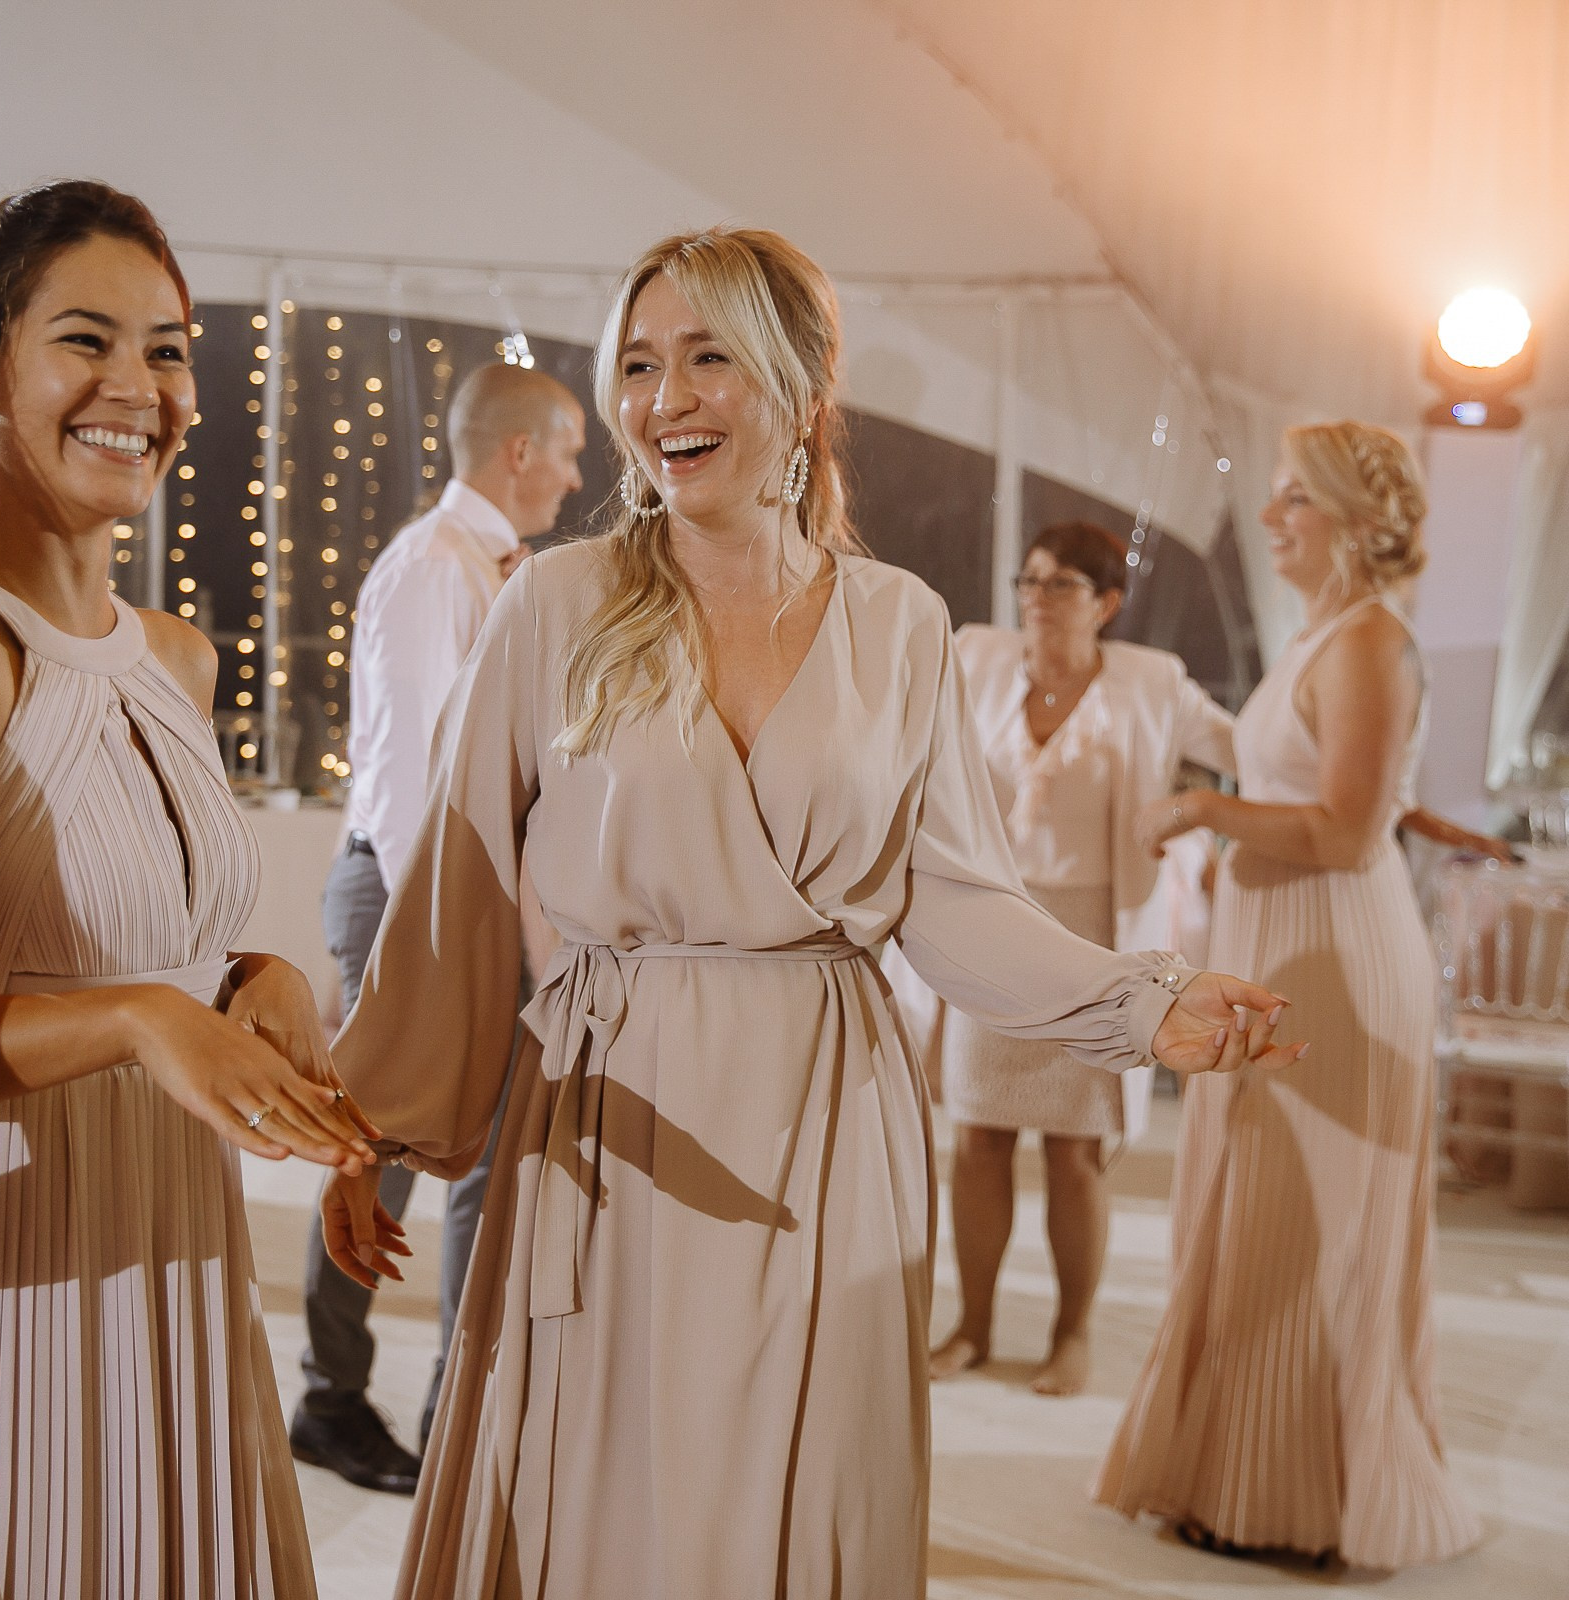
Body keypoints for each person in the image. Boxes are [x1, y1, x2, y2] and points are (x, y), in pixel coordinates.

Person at [318, 227, 1300, 1598]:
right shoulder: (555, 600)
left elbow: (954, 901)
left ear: (803, 383)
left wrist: (1142, 1000)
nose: (666, 400)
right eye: (639, 365)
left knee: (792, 1489)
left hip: (826, 1119)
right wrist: (371, 1123)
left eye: (708, 357)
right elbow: (460, 881)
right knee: (606, 1491)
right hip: (609, 1114)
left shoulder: (902, 623)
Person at [0, 180, 376, 1598]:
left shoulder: (180, 658)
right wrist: (133, 1021)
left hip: (174, 1249)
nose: (140, 388)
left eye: (167, 350)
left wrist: (246, 980)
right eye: (86, 340)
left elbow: (129, 937)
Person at [1097, 421, 1484, 1569]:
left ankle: (1306, 1499)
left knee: (1315, 1214)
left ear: (1356, 522)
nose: (1270, 518)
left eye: (1293, 498)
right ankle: (1226, 1472)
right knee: (1247, 1203)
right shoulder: (1322, 635)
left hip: (1337, 959)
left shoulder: (1371, 642)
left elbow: (1348, 830)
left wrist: (1202, 809)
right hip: (1277, 942)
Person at [295, 361, 585, 1494]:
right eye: (568, 452)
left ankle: (453, 1412)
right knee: (374, 1158)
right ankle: (331, 1400)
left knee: (484, 1165)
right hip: (419, 898)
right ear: (520, 451)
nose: (574, 477)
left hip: (469, 901)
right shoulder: (434, 569)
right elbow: (417, 782)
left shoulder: (497, 570)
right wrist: (455, 942)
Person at [928, 521, 1237, 1398]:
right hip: (988, 924)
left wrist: (1202, 815)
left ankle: (1071, 1335)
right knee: (977, 1136)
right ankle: (971, 1326)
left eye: (1060, 584)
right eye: (1028, 581)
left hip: (1096, 933)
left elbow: (1254, 753)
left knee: (1074, 1150)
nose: (1037, 599)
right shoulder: (972, 657)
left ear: (1106, 603)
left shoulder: (1154, 682)